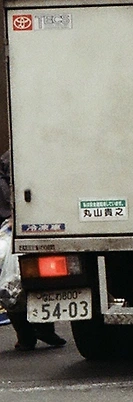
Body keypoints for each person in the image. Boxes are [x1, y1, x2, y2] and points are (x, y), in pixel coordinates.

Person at [0, 149, 65, 350]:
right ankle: (36, 331)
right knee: (15, 280)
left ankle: (31, 333)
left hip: (25, 223)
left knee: (15, 280)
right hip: (24, 223)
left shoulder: (15, 155)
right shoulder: (20, 155)